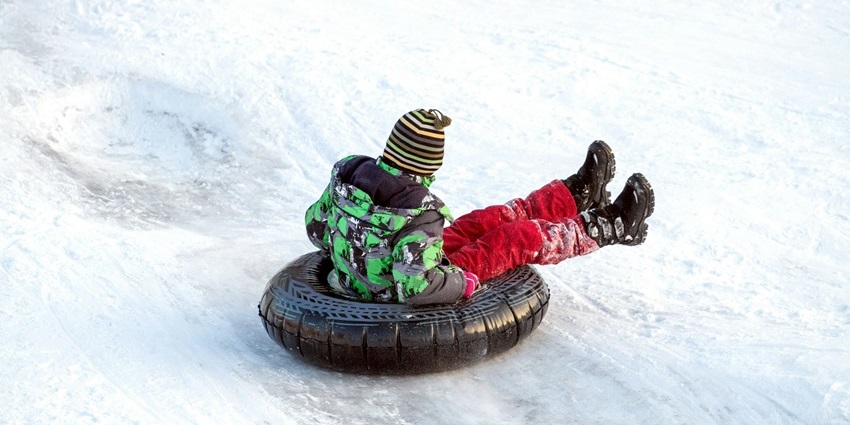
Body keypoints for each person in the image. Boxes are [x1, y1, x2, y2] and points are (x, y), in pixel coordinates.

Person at [305, 108, 655, 306]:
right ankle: (610, 226)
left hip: (382, 265)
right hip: (391, 292)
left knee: (481, 221)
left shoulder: (350, 175)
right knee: (515, 238)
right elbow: (416, 287)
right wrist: (462, 283)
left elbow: (316, 227)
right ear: (426, 166)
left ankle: (573, 196)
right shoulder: (417, 214)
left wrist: (357, 246)